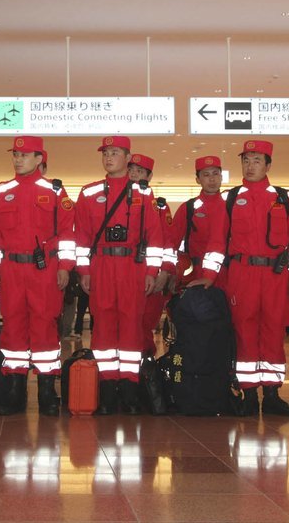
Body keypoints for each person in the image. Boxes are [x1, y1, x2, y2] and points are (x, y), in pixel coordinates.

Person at [192, 140, 289, 417]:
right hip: (242, 275)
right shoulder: (230, 198)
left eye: (256, 160)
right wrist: (208, 275)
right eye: (246, 160)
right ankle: (250, 395)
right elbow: (217, 241)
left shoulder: (283, 198)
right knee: (244, 333)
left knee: (274, 332)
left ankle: (273, 395)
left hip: (276, 276)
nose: (250, 166)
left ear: (268, 165)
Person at [0, 136, 76, 416]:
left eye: (24, 155)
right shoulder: (1, 191)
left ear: (39, 159)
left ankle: (47, 391)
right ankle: (15, 391)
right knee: (13, 327)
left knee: (45, 327)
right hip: (10, 270)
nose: (18, 159)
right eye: (15, 154)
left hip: (44, 271)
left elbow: (67, 234)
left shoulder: (55, 191)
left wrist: (65, 267)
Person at [74, 136, 163, 415]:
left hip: (132, 267)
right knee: (102, 327)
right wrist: (84, 271)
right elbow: (81, 239)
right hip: (101, 266)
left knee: (131, 326)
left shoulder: (143, 194)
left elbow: (155, 238)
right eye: (105, 153)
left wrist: (152, 271)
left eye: (115, 152)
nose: (109, 157)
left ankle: (129, 389)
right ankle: (107, 389)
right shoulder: (89, 193)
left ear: (127, 158)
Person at [127, 154, 176, 357]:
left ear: (149, 176)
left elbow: (169, 244)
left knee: (145, 325)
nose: (134, 175)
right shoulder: (116, 202)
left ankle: (145, 367)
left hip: (152, 277)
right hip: (125, 274)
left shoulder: (160, 207)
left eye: (139, 171)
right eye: (131, 170)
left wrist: (164, 272)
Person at [172, 156, 227, 289]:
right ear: (198, 179)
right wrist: (169, 271)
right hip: (195, 274)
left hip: (229, 274)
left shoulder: (231, 206)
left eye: (215, 174)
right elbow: (172, 241)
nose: (212, 179)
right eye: (206, 175)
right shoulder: (188, 208)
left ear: (221, 177)